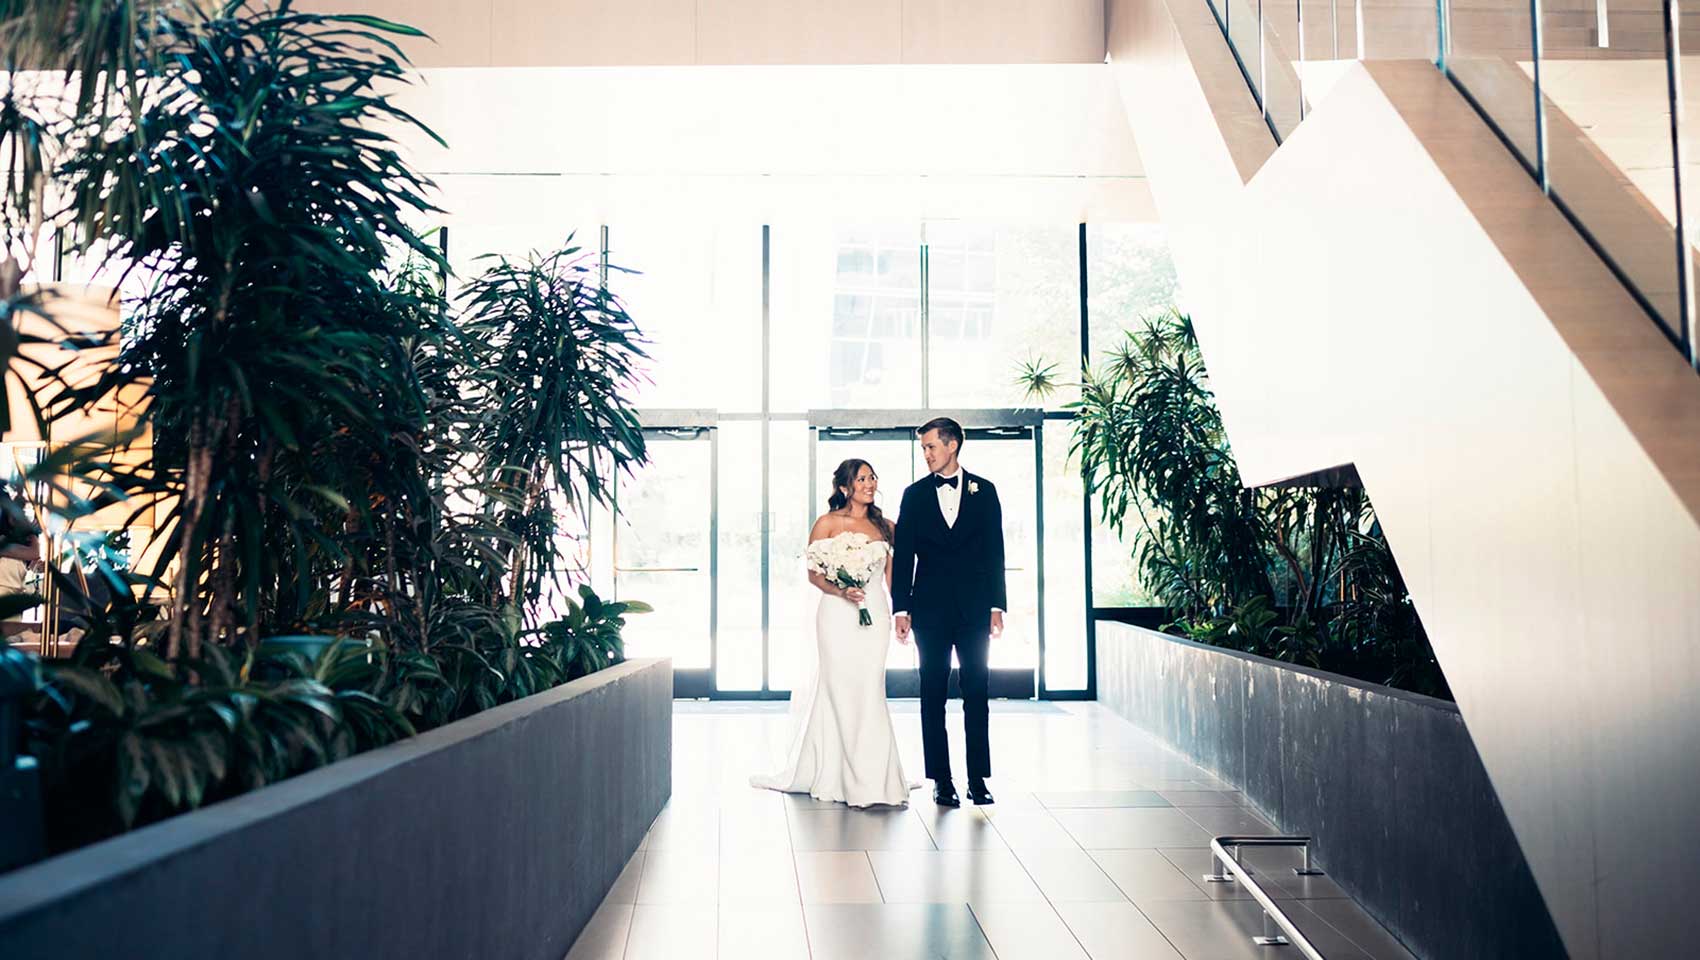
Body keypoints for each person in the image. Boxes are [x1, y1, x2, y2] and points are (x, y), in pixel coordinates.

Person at [750, 458, 915, 807]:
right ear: (844, 487)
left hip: (875, 617)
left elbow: (891, 577)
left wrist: (903, 611)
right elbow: (813, 574)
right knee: (838, 689)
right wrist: (841, 590)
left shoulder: (886, 527)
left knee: (870, 689)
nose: (870, 484)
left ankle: (875, 777)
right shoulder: (827, 523)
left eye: (872, 477)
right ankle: (840, 775)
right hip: (837, 614)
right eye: (861, 479)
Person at [891, 417, 1006, 807]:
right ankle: (941, 778)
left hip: (975, 609)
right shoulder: (914, 495)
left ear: (952, 445)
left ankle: (978, 778)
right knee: (932, 693)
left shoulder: (985, 491)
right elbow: (903, 554)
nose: (925, 454)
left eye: (930, 447)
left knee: (977, 691)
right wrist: (901, 608)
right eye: (923, 448)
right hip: (929, 610)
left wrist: (996, 604)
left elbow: (995, 551)